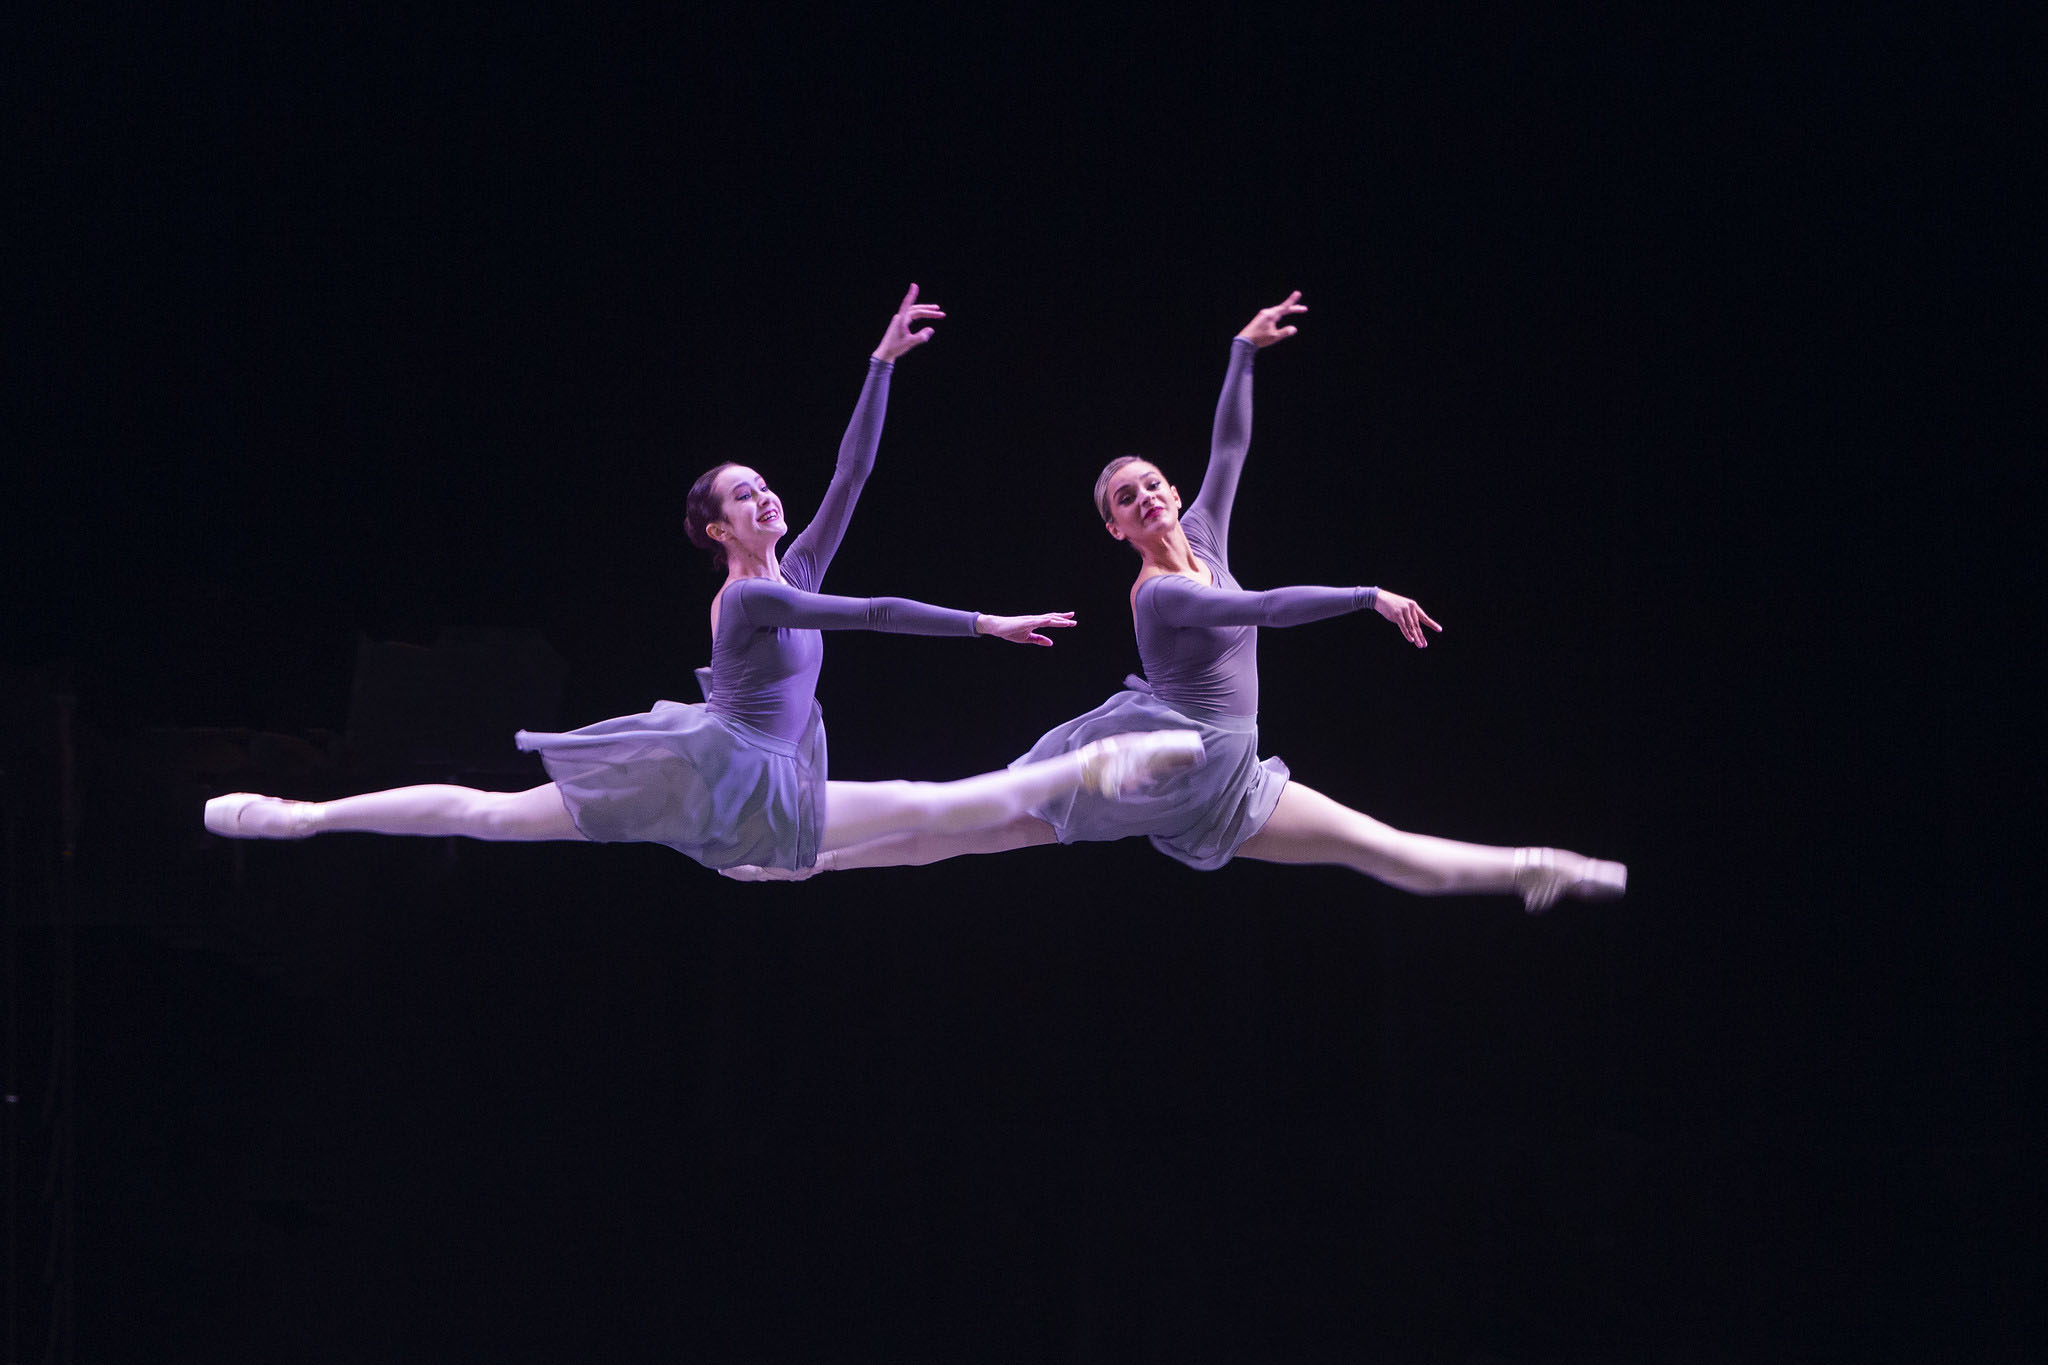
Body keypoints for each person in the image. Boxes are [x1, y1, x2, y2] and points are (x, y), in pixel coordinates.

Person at [205, 286, 1202, 867]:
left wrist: (880, 363)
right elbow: (863, 613)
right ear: (716, 529)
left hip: (734, 779)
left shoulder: (791, 557)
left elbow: (851, 472)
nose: (768, 497)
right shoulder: (754, 595)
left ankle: (1062, 789)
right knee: (491, 814)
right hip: (725, 775)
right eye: (747, 494)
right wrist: (982, 624)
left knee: (915, 824)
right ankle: (302, 818)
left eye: (766, 485)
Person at [726, 292, 1625, 912]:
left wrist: (1242, 352)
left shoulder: (1205, 532)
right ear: (1114, 529)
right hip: (1153, 756)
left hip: (1228, 784)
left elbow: (1229, 449)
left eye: (1152, 483)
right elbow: (1263, 610)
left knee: (1381, 848)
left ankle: (1535, 867)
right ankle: (805, 860)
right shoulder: (1158, 596)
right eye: (1127, 499)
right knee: (970, 823)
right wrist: (1366, 596)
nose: (1149, 497)